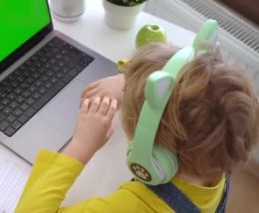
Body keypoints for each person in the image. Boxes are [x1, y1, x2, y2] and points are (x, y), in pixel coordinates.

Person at [15, 42, 259, 212]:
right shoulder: (221, 145)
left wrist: (81, 146)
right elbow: (184, 68)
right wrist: (128, 79)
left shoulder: (132, 206)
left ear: (149, 145)